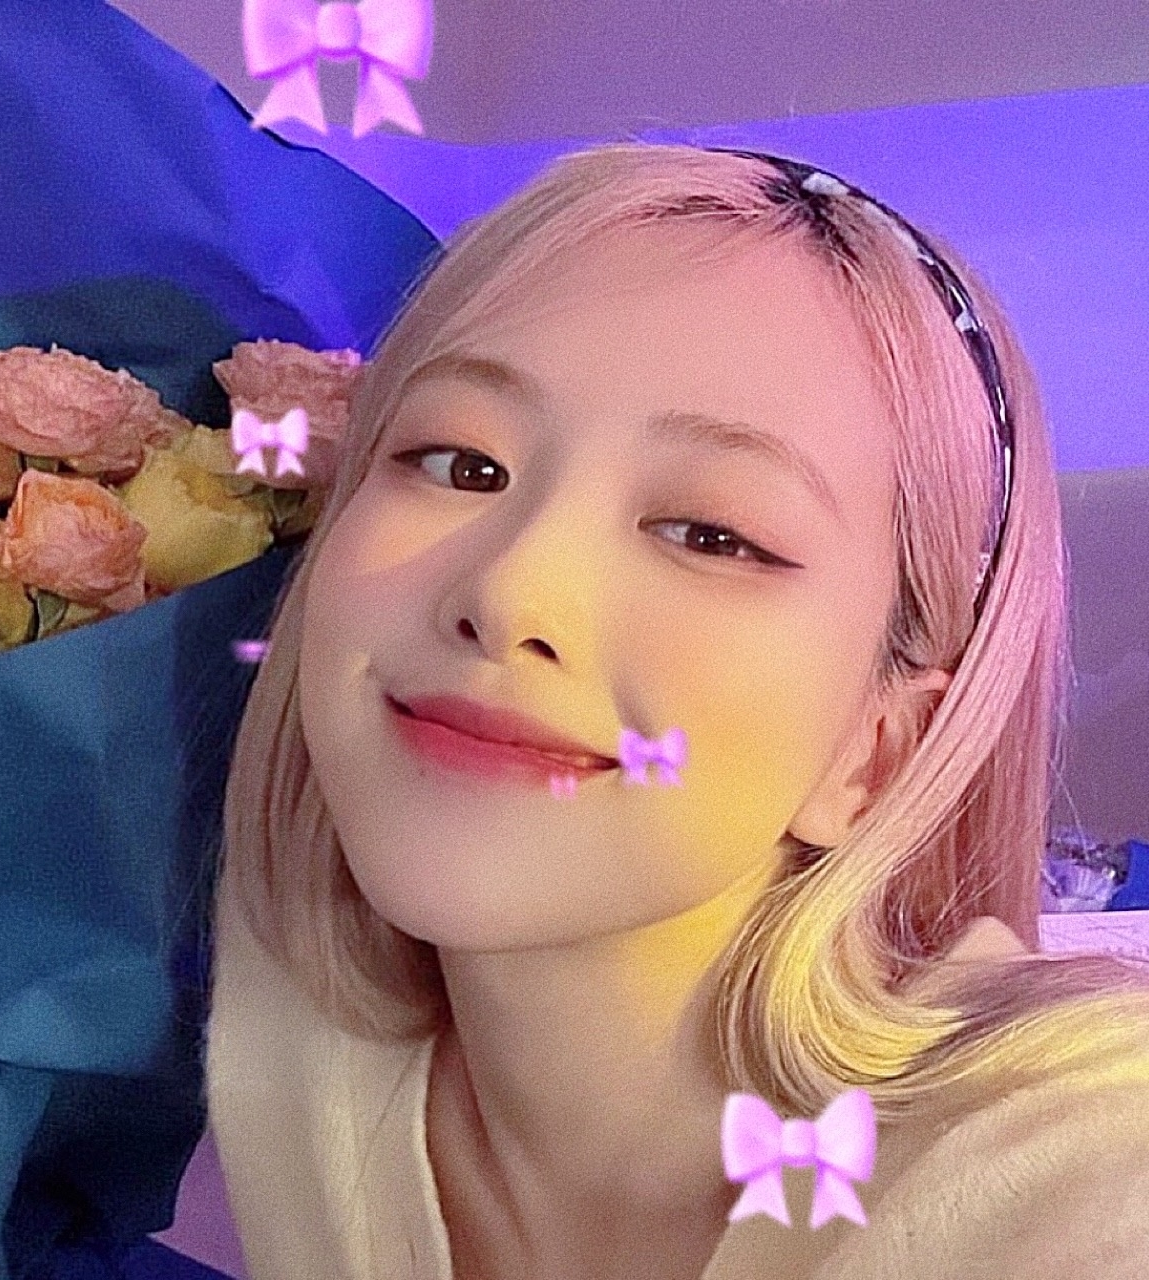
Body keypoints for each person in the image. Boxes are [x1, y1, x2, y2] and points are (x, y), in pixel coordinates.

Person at [204, 143, 1149, 1280]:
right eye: (459, 463)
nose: (508, 594)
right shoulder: (285, 1033)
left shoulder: (1086, 1177)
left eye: (711, 535)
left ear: (878, 754)